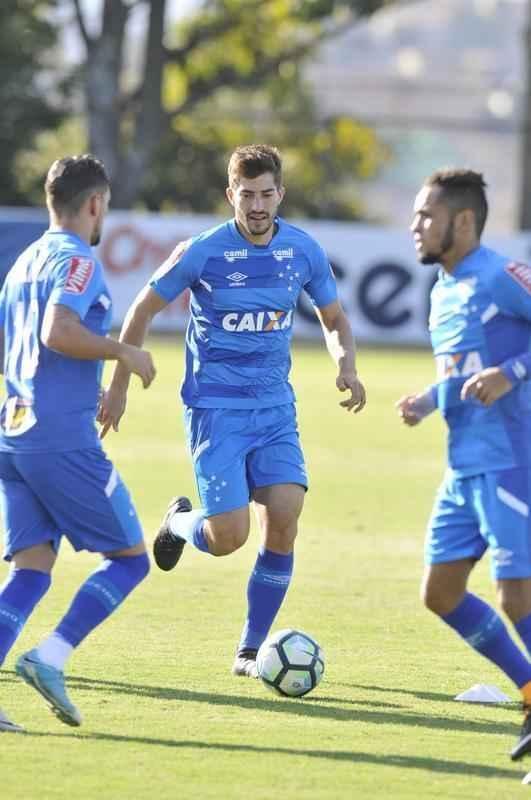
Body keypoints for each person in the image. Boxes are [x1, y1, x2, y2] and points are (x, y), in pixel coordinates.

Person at [99, 143, 366, 678]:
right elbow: (141, 310)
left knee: (284, 519)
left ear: (280, 193)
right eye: (247, 195)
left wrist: (347, 365)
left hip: (274, 410)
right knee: (229, 538)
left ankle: (250, 650)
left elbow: (334, 319)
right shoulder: (201, 252)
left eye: (266, 194)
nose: (258, 205)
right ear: (231, 195)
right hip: (215, 410)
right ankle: (179, 522)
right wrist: (119, 385)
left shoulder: (303, 251)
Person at [0, 155, 155, 733]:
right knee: (131, 560)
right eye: (105, 207)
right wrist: (123, 352)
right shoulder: (78, 260)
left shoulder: (22, 264)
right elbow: (58, 331)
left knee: (32, 571)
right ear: (94, 204)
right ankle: (51, 655)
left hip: (13, 433)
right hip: (57, 439)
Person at [397, 167, 531, 760]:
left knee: (516, 596)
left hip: (510, 459)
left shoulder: (499, 275)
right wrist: (429, 401)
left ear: (464, 220)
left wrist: (513, 373)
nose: (415, 225)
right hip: (462, 467)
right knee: (442, 592)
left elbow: (499, 369)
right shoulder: (442, 289)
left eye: (427, 215)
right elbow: (462, 370)